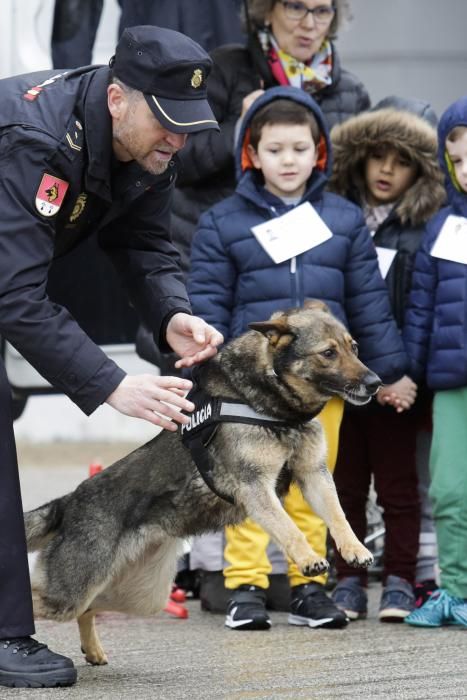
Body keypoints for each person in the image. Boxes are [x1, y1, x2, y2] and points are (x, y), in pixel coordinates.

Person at [0, 25, 223, 688]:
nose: (178, 141)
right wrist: (110, 384)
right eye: (167, 123)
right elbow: (14, 295)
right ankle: (9, 635)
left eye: (188, 125)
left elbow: (144, 248)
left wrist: (170, 312)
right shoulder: (34, 141)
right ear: (118, 98)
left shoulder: (148, 144)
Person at [187, 85, 409, 631]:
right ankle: (245, 588)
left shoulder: (343, 218)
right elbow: (209, 300)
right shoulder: (222, 221)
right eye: (275, 149)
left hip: (321, 381)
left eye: (300, 149)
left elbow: (368, 301)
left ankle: (310, 588)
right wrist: (206, 359)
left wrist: (392, 370)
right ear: (251, 154)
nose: (288, 160)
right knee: (249, 486)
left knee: (314, 482)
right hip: (250, 386)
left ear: (320, 153)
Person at [327, 96, 446, 622]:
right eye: (379, 157)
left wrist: (407, 376)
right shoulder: (335, 220)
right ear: (361, 158)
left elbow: (424, 313)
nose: (387, 171)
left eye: (402, 163)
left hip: (395, 386)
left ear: (419, 172)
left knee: (400, 488)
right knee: (343, 485)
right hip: (341, 382)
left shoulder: (425, 231)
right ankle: (348, 578)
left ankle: (400, 579)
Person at [171, 0, 370, 276]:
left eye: (322, 11)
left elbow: (355, 193)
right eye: (296, 7)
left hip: (308, 268)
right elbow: (177, 161)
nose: (309, 24)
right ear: (265, 11)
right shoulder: (225, 68)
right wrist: (239, 127)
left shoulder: (351, 92)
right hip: (211, 260)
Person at [403, 95, 467, 628]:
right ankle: (457, 591)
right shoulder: (442, 226)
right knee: (448, 491)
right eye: (457, 160)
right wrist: (411, 373)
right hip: (451, 383)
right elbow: (421, 307)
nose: (466, 171)